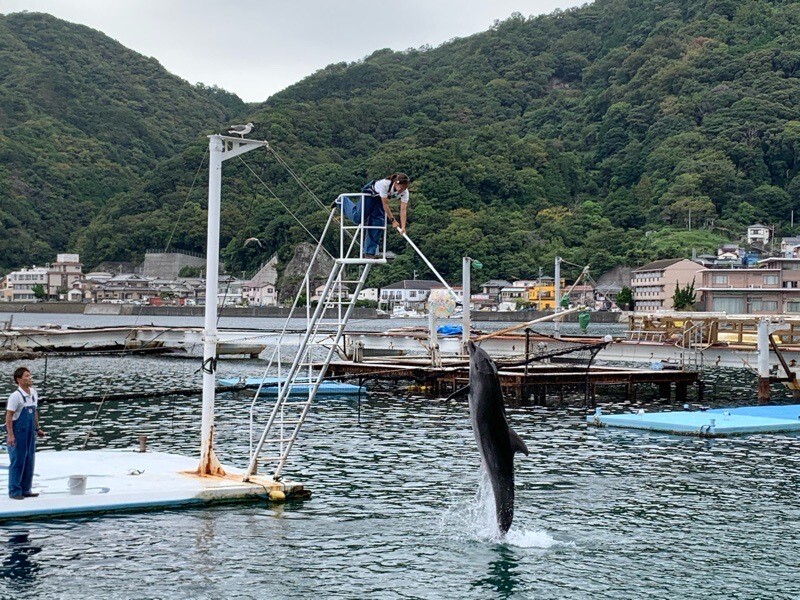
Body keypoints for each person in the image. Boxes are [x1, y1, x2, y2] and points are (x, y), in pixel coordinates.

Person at [339, 173, 410, 258]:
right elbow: (385, 205)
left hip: (379, 198)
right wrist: (393, 221)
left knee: (378, 221)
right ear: (396, 183)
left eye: (404, 188)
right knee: (358, 218)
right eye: (401, 188)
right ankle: (343, 200)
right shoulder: (385, 184)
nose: (402, 190)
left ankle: (369, 252)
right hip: (370, 194)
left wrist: (403, 227)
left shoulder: (405, 192)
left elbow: (403, 210)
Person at [5, 367, 45, 500]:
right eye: (27, 376)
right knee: (18, 460)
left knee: (29, 459)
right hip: (18, 432)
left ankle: (26, 489)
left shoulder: (33, 393)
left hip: (29, 431)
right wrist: (10, 435)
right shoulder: (15, 396)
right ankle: (15, 491)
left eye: (30, 375)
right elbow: (9, 416)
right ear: (19, 380)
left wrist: (37, 428)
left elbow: (34, 411)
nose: (30, 378)